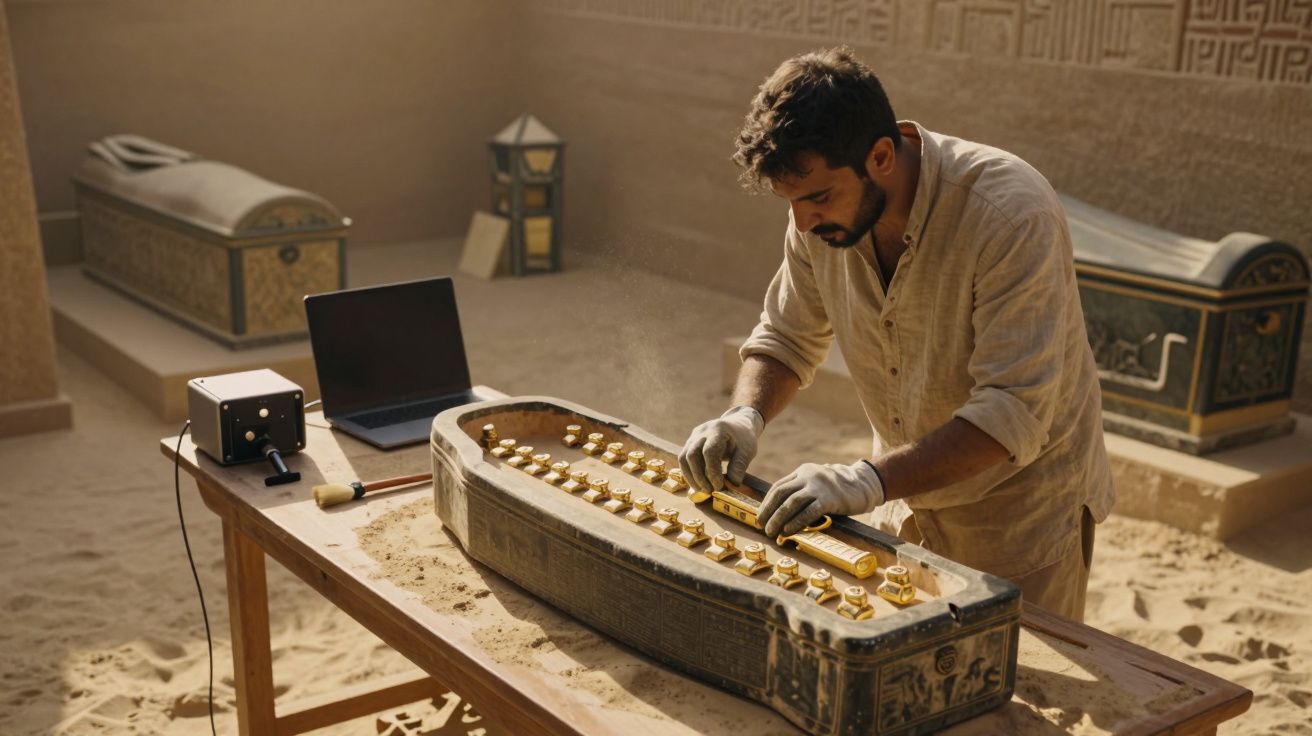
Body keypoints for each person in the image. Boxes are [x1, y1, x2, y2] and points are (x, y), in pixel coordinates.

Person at [677, 47, 1114, 621]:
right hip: (903, 491)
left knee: (1019, 690)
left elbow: (1011, 412)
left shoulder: (1010, 215)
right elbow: (787, 335)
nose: (804, 221)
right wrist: (745, 415)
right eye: (792, 204)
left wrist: (865, 480)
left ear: (881, 155)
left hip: (1021, 513)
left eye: (817, 198)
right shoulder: (821, 213)